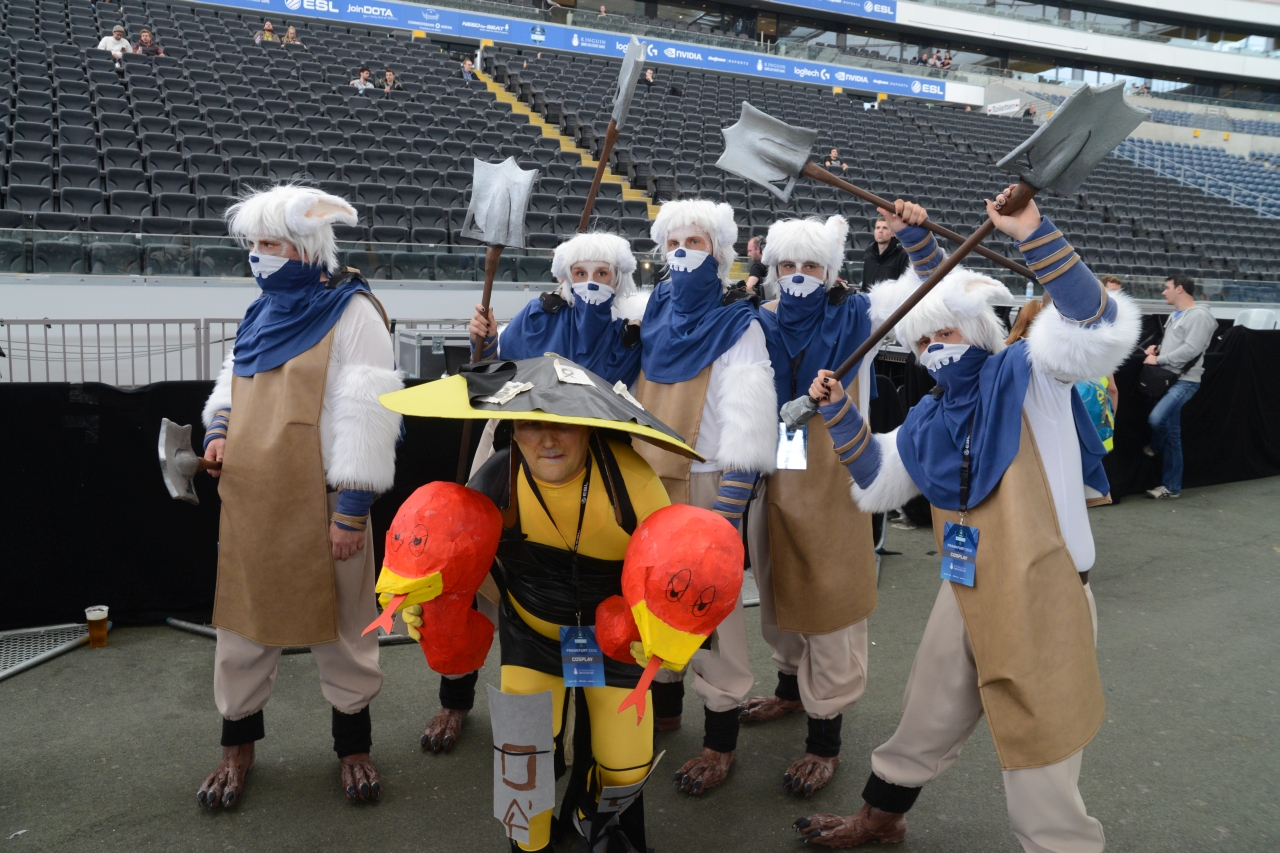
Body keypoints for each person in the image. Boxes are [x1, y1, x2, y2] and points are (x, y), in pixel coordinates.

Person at [795, 187, 1141, 851]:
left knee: (1040, 749)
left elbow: (1095, 326)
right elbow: (877, 474)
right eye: (923, 340)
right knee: (926, 710)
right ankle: (882, 815)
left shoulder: (1029, 373)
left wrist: (1033, 231)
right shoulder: (928, 415)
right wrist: (838, 413)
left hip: (1044, 593)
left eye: (945, 332)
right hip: (966, 584)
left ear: (976, 329)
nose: (934, 348)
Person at [196, 186, 404, 809]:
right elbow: (233, 381)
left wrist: (352, 511)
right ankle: (237, 748)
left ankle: (353, 748)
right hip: (251, 502)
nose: (258, 255)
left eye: (272, 243)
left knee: (342, 632)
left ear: (307, 246)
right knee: (242, 628)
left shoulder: (355, 312)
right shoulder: (259, 311)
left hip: (325, 505)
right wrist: (218, 430)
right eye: (254, 244)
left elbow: (370, 414)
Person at [424, 233, 646, 752]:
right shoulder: (537, 316)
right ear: (565, 276)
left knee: (586, 588)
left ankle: (591, 717)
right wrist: (484, 342)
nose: (591, 282)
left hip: (596, 470)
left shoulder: (631, 330)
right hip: (514, 458)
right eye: (581, 273)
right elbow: (492, 374)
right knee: (477, 574)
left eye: (602, 273)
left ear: (619, 278)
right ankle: (455, 698)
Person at [741, 214, 892, 798]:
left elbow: (924, 300)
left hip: (833, 475)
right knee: (776, 581)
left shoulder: (858, 317)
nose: (799, 275)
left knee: (828, 596)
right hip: (775, 470)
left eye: (811, 265)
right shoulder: (760, 320)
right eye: (789, 265)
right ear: (774, 269)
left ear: (829, 272)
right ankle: (788, 689)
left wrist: (914, 236)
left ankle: (825, 737)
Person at [632, 200, 778, 796]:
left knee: (712, 613)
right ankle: (664, 710)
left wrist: (728, 511)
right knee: (651, 599)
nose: (683, 251)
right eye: (674, 242)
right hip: (652, 481)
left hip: (708, 484)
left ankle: (720, 739)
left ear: (717, 250)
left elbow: (750, 420)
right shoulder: (652, 310)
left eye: (695, 241)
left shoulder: (738, 323)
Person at [1143, 274, 1214, 499]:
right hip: (1168, 379)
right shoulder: (1177, 314)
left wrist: (1158, 359)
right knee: (1173, 436)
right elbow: (1176, 344)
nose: (1163, 292)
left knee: (1157, 419)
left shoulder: (1199, 316)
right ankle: (1172, 487)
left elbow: (1191, 349)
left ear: (1179, 289)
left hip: (1184, 380)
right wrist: (1158, 349)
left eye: (1167, 288)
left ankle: (1155, 447)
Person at [860, 215, 909, 291]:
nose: (880, 231)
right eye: (878, 228)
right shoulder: (869, 254)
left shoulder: (902, 255)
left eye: (885, 228)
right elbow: (865, 285)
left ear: (893, 233)